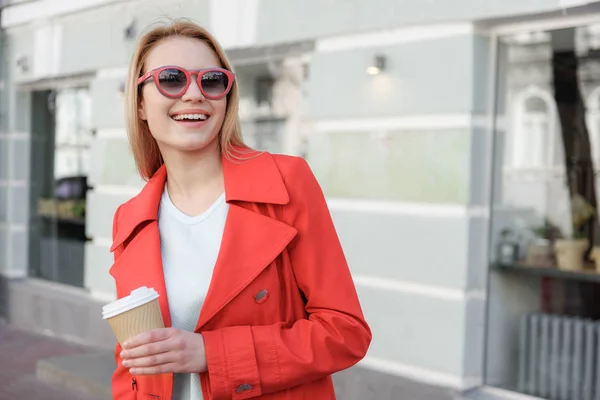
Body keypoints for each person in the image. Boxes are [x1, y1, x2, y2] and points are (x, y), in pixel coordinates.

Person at [110, 18, 371, 400]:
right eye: (171, 78)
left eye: (212, 81)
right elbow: (132, 361)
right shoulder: (131, 219)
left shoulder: (286, 182)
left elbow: (345, 332)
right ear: (140, 103)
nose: (194, 94)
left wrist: (210, 354)